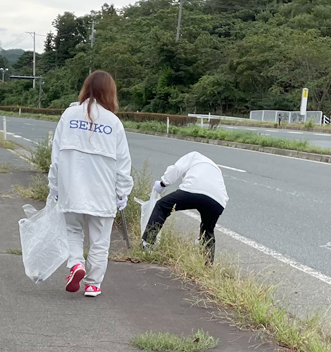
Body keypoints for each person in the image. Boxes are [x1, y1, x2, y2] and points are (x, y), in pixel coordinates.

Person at [47, 70, 132, 298]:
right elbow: (123, 163)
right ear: (110, 93)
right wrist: (122, 192)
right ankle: (93, 284)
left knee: (73, 230)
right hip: (103, 190)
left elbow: (56, 155)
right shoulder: (113, 122)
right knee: (100, 240)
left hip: (71, 186)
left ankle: (76, 264)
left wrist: (54, 185)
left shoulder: (69, 114)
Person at [143, 151, 228, 262]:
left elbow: (176, 169)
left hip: (193, 189)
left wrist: (163, 183)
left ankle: (147, 245)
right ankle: (207, 263)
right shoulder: (216, 168)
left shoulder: (194, 156)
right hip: (218, 200)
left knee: (162, 206)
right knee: (208, 229)